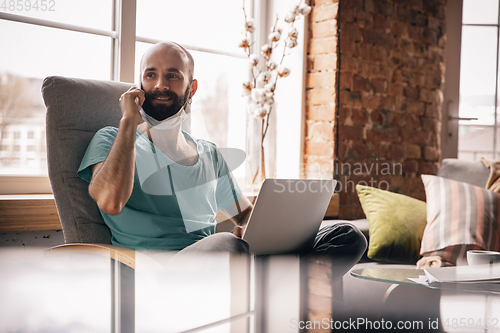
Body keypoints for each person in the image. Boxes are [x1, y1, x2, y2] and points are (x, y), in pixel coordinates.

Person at [78, 42, 366, 278]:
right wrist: (129, 121)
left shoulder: (208, 153)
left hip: (219, 262)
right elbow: (110, 201)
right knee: (226, 243)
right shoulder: (112, 139)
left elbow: (244, 214)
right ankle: (286, 284)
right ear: (138, 85)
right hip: (156, 271)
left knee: (347, 235)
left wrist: (268, 230)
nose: (160, 85)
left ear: (191, 88)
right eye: (150, 75)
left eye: (172, 75)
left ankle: (283, 284)